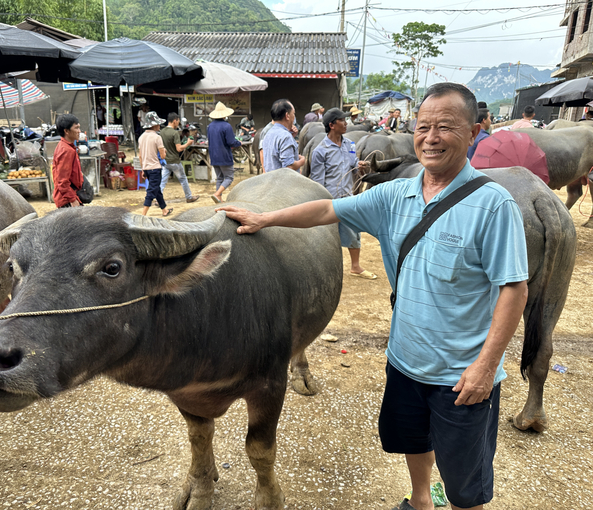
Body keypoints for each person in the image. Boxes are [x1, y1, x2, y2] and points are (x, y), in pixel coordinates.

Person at [217, 82, 529, 510]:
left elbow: (514, 288)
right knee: (412, 441)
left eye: (446, 127)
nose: (431, 137)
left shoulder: (494, 205)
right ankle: (420, 500)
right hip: (404, 360)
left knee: (465, 483)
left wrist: (486, 365)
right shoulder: (395, 194)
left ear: (474, 132)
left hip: (462, 375)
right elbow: (327, 210)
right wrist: (265, 217)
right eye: (423, 126)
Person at [310, 107, 377, 279]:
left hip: (347, 196)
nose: (346, 123)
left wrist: (359, 165)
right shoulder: (320, 151)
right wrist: (322, 204)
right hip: (330, 200)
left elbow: (353, 164)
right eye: (342, 120)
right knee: (326, 236)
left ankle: (355, 266)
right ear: (332, 125)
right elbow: (318, 181)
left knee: (354, 230)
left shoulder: (350, 145)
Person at [159, 113, 199, 203]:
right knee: (183, 179)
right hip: (174, 161)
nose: (178, 123)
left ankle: (159, 199)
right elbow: (179, 148)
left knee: (163, 181)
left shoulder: (162, 132)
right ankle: (189, 197)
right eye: (178, 121)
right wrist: (188, 144)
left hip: (165, 160)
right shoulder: (174, 133)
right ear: (174, 121)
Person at [138, 111, 172, 217]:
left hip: (146, 168)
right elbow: (162, 156)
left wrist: (143, 169)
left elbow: (140, 156)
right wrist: (164, 151)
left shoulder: (141, 137)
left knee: (156, 190)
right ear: (155, 125)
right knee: (152, 191)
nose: (159, 126)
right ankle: (143, 214)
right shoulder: (157, 137)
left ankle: (164, 210)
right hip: (155, 168)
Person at [206, 101, 241, 204]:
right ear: (225, 115)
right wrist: (239, 143)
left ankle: (219, 199)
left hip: (214, 156)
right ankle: (217, 194)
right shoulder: (226, 126)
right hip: (224, 156)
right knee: (229, 177)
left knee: (220, 178)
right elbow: (231, 142)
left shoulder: (210, 126)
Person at [262, 99, 306, 172]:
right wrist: (302, 161)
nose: (294, 117)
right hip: (283, 182)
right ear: (287, 116)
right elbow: (289, 166)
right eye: (293, 114)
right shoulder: (285, 136)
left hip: (270, 179)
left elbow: (275, 157)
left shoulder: (268, 133)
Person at [52, 114, 85, 209]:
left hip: (69, 196)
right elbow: (62, 181)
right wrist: (72, 200)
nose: (79, 131)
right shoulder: (66, 150)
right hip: (67, 199)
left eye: (79, 128)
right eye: (76, 128)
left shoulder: (65, 146)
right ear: (66, 131)